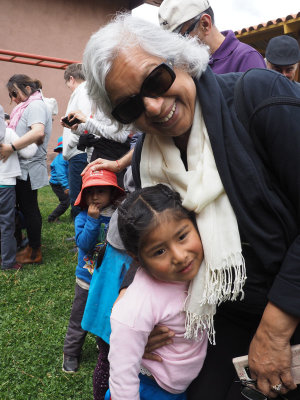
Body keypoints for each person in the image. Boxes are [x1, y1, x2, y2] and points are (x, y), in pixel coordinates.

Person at [82, 14, 300, 400]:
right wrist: (132, 295)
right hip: (216, 314)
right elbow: (148, 234)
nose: (152, 105)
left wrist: (275, 328)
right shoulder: (146, 157)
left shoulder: (260, 98)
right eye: (130, 106)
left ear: (180, 59)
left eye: (156, 80)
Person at [106, 184, 207, 400]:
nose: (180, 256)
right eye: (159, 251)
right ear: (137, 258)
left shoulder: (203, 268)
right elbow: (122, 374)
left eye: (182, 236)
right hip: (150, 389)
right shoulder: (138, 304)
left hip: (179, 387)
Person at [62, 168, 124, 373]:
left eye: (101, 191)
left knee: (107, 314)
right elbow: (85, 244)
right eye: (91, 191)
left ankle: (104, 347)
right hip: (87, 279)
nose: (95, 196)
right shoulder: (82, 217)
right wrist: (92, 220)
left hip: (109, 280)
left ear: (112, 194)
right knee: (79, 318)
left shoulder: (119, 216)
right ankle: (71, 352)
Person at [0, 74, 52, 265]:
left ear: (27, 89)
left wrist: (11, 147)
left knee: (29, 208)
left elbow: (38, 132)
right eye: (10, 95)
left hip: (28, 167)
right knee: (21, 207)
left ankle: (34, 251)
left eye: (14, 93)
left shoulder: (36, 105)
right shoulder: (26, 106)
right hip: (21, 167)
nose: (13, 98)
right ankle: (24, 244)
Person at [158, 0, 266, 73]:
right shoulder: (192, 65)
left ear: (205, 24)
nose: (178, 48)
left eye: (181, 38)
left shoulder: (246, 58)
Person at [0, 105, 38, 270]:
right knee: (6, 223)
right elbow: (30, 151)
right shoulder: (8, 133)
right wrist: (31, 139)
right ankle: (8, 262)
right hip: (6, 184)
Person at [61, 63, 92, 220]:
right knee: (79, 196)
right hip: (77, 152)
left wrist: (71, 143)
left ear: (71, 79)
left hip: (79, 152)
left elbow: (84, 120)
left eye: (68, 84)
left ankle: (81, 237)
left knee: (78, 197)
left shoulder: (83, 92)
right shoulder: (84, 91)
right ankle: (81, 234)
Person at [48, 136, 70, 223]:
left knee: (71, 199)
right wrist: (65, 187)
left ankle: (74, 214)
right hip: (58, 184)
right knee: (65, 201)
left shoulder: (66, 157)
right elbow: (60, 175)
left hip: (62, 183)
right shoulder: (61, 159)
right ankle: (52, 218)